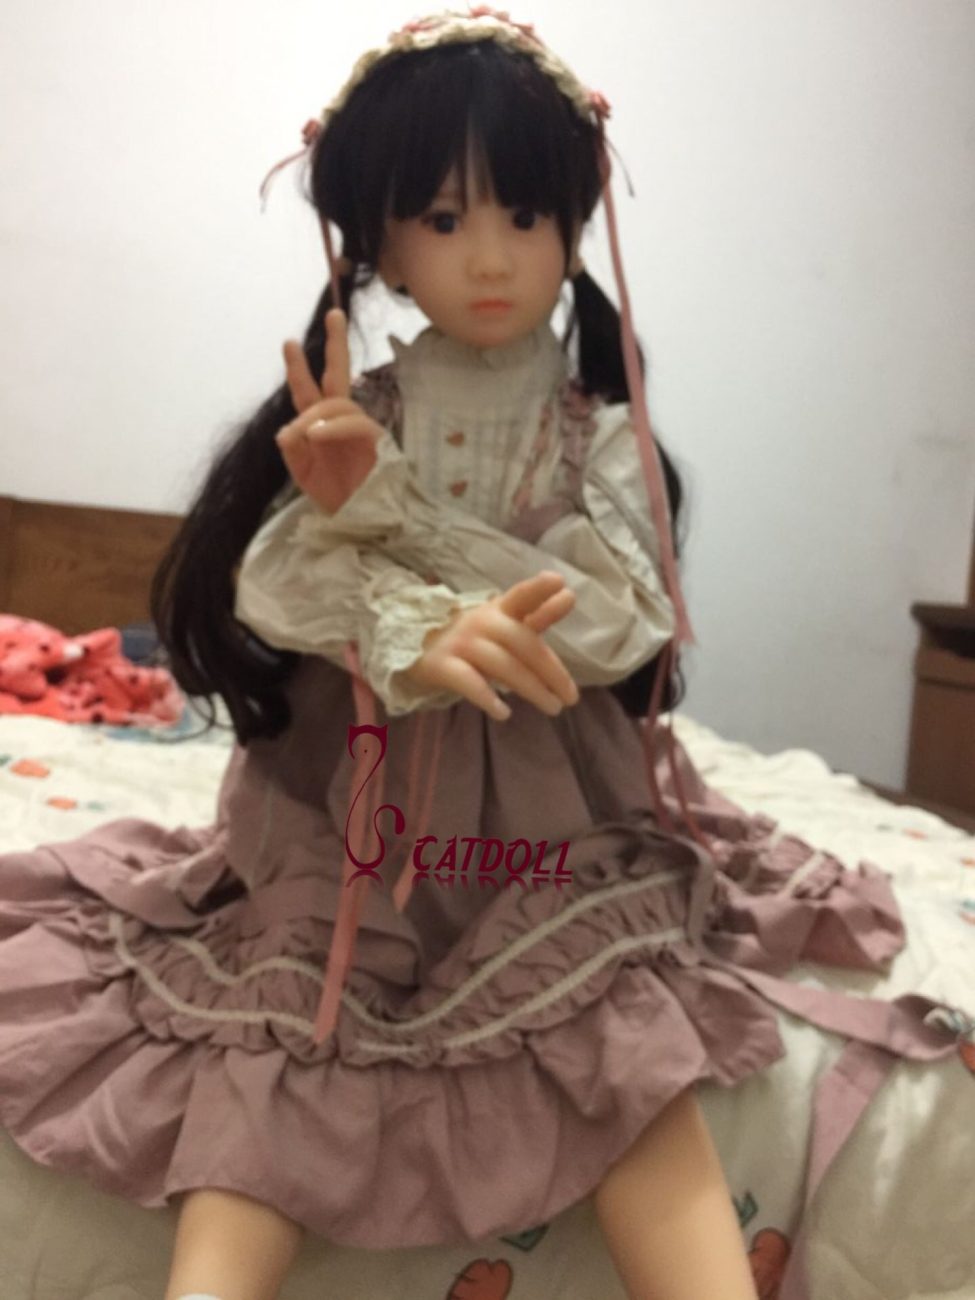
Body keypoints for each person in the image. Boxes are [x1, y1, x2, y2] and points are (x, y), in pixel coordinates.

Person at [0, 9, 960, 1300]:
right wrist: (401, 608)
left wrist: (407, 534)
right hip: (348, 811)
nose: (494, 255)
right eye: (445, 219)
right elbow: (276, 584)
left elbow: (623, 614)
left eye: (526, 213)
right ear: (382, 241)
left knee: (619, 1042)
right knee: (285, 1027)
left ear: (574, 223)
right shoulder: (358, 416)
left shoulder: (595, 436)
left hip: (550, 822)